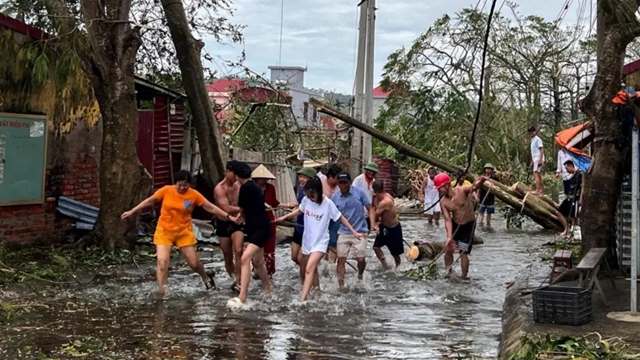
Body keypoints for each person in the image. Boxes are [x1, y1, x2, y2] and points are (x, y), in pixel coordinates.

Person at [121, 170, 237, 297]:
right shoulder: (166, 190)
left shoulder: (194, 195)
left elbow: (210, 207)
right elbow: (150, 200)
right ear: (175, 183)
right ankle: (162, 290)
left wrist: (227, 216)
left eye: (185, 185)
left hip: (184, 232)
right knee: (162, 262)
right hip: (164, 231)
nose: (182, 188)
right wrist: (132, 211)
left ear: (189, 185)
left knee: (193, 263)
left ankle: (205, 276)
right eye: (179, 184)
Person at [275, 176, 364, 302]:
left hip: (321, 243)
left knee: (309, 268)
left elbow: (340, 218)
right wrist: (283, 218)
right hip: (307, 241)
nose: (310, 197)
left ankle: (302, 300)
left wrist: (353, 231)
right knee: (312, 268)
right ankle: (317, 292)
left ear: (318, 191)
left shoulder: (328, 203)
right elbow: (299, 211)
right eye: (308, 194)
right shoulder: (306, 200)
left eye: (312, 194)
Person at [229, 162, 272, 305]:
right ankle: (268, 289)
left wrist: (238, 218)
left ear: (236, 175)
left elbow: (242, 210)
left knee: (245, 258)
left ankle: (242, 297)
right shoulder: (255, 187)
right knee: (258, 262)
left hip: (258, 228)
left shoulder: (245, 188)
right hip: (258, 227)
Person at [435, 173, 488, 280]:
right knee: (448, 249)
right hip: (455, 224)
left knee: (463, 251)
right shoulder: (444, 202)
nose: (440, 191)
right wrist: (449, 237)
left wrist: (481, 180)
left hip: (468, 226)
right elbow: (447, 219)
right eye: (439, 189)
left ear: (447, 185)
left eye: (441, 188)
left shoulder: (462, 190)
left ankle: (464, 277)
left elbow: (474, 187)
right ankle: (448, 272)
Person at [331, 172, 374, 289]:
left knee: (360, 259)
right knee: (341, 259)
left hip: (360, 231)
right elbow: (331, 214)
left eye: (345, 182)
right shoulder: (335, 197)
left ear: (350, 183)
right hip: (343, 232)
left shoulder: (359, 193)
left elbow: (370, 208)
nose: (343, 185)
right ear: (338, 184)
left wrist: (373, 225)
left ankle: (360, 274)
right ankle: (341, 285)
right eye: (340, 183)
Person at [213, 160, 243, 288]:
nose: (235, 177)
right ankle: (232, 276)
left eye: (237, 174)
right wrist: (245, 208)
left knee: (238, 250)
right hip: (223, 222)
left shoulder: (240, 185)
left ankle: (239, 281)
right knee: (227, 254)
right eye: (234, 174)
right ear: (227, 172)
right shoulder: (219, 188)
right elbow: (226, 208)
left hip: (237, 223)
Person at [251, 164, 279, 276]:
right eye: (262, 178)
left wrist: (287, 206)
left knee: (270, 248)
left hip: (269, 220)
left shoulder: (271, 188)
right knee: (256, 248)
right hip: (256, 222)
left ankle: (269, 272)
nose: (265, 180)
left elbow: (274, 203)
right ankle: (257, 269)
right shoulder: (251, 189)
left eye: (266, 178)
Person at [291, 167, 317, 282]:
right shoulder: (301, 190)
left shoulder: (314, 194)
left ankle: (305, 283)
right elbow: (300, 206)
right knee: (294, 257)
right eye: (300, 176)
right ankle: (309, 270)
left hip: (308, 230)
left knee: (301, 258)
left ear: (311, 179)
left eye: (304, 177)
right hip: (299, 227)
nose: (301, 179)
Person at [371, 181, 404, 270]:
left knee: (395, 253)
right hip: (384, 226)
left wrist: (374, 224)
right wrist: (377, 224)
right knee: (376, 247)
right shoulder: (377, 198)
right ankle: (385, 265)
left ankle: (398, 268)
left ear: (375, 191)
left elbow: (376, 214)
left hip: (394, 228)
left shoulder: (386, 201)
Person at [558, 159, 582, 239]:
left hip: (574, 199)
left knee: (573, 217)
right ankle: (566, 229)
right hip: (568, 198)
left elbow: (581, 188)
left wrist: (580, 200)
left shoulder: (579, 174)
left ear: (571, 166)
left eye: (567, 168)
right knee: (559, 212)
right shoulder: (572, 176)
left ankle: (572, 232)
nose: (566, 170)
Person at [323, 164, 342, 262]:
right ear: (330, 177)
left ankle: (332, 264)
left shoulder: (339, 187)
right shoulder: (320, 183)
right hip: (322, 218)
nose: (338, 182)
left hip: (335, 218)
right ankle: (324, 262)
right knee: (323, 242)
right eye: (337, 179)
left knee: (334, 242)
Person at [478, 163, 496, 228]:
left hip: (490, 198)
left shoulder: (494, 178)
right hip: (482, 197)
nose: (488, 170)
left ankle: (488, 225)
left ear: (491, 170)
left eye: (489, 169)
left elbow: (497, 187)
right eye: (487, 169)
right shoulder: (481, 177)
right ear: (484, 170)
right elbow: (478, 187)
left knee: (489, 214)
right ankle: (480, 225)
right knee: (481, 214)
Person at [529, 126, 545, 194]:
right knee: (538, 174)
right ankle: (541, 190)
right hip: (535, 159)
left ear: (535, 132)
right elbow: (533, 152)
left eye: (532, 132)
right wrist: (532, 161)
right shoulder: (532, 140)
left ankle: (537, 190)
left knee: (535, 174)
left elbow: (541, 149)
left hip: (538, 158)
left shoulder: (538, 139)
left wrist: (540, 160)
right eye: (530, 132)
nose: (531, 133)